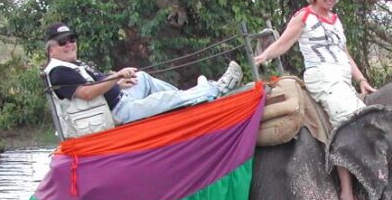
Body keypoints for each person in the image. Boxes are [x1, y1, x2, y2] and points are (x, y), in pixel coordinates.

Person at [254, 0, 376, 200]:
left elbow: (345, 54)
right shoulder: (304, 16)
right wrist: (265, 56)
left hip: (342, 79)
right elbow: (285, 42)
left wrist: (361, 80)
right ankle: (346, 194)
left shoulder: (336, 19)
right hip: (321, 75)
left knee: (367, 119)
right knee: (346, 121)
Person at [44, 22, 243, 125]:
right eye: (63, 42)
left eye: (71, 39)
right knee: (165, 98)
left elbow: (95, 87)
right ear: (51, 50)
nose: (69, 44)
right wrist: (117, 76)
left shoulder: (73, 65)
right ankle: (216, 89)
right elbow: (87, 93)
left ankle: (192, 97)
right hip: (120, 112)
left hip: (121, 98)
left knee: (143, 78)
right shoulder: (59, 72)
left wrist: (118, 83)